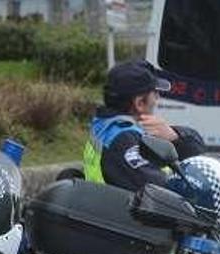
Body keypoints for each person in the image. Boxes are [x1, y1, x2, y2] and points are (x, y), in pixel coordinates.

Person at [82, 60, 206, 191]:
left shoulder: (106, 125)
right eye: (155, 93)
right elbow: (163, 188)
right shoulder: (124, 139)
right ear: (139, 103)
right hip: (123, 210)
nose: (157, 98)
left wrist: (175, 136)